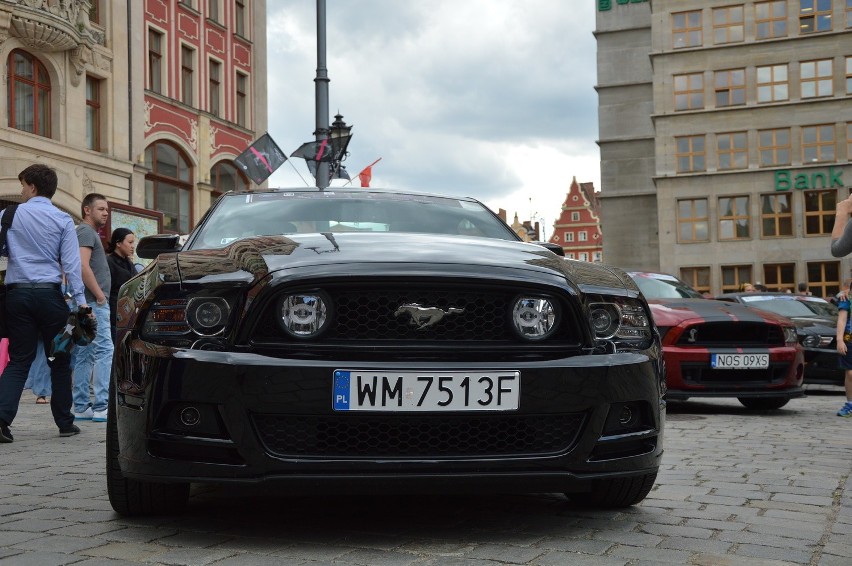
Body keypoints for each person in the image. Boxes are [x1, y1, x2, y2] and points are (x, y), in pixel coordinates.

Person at [0, 164, 89, 442]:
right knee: (59, 360)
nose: (21, 190)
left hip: (17, 295)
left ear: (33, 187)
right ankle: (65, 423)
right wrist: (82, 303)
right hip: (51, 297)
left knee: (19, 360)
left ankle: (1, 421)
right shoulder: (63, 219)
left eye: (23, 185)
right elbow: (72, 265)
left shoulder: (8, 214)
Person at [72, 193, 113, 423]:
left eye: (106, 209)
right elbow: (82, 265)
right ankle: (101, 406)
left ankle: (81, 406)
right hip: (93, 303)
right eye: (101, 209)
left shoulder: (85, 232)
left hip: (85, 303)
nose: (105, 213)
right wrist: (99, 296)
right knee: (105, 351)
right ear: (87, 210)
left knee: (85, 354)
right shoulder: (87, 231)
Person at [106, 228, 136, 342]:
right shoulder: (109, 262)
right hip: (113, 314)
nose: (133, 246)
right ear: (118, 243)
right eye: (130, 242)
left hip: (128, 316)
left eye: (133, 242)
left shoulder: (129, 263)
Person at [834, 292, 852, 417]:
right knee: (850, 373)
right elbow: (842, 319)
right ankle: (850, 404)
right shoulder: (846, 298)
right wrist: (839, 340)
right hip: (849, 339)